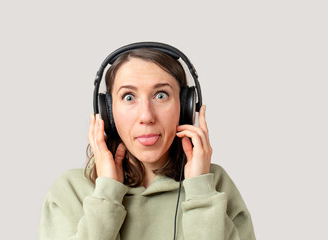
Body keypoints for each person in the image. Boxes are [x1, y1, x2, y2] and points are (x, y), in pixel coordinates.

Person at [38, 42, 256, 240]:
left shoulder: (214, 184)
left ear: (185, 106)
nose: (146, 116)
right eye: (129, 97)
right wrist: (107, 194)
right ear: (108, 112)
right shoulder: (70, 191)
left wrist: (200, 192)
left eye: (160, 95)